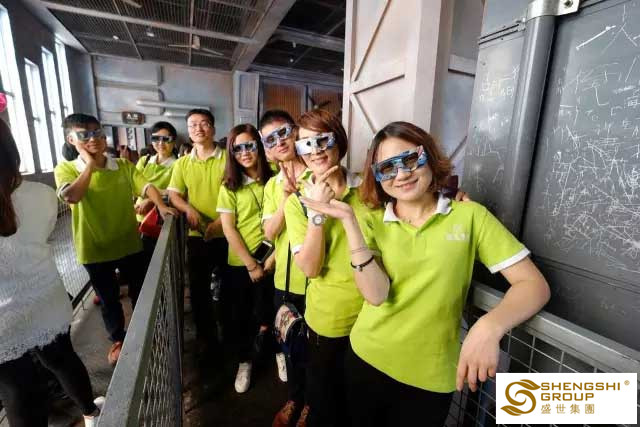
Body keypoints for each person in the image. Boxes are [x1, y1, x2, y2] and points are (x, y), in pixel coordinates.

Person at [300, 121, 551, 426]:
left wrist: (489, 326)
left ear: (428, 156)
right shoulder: (373, 221)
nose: (401, 174)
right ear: (377, 176)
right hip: (366, 357)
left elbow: (533, 285)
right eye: (387, 168)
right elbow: (376, 295)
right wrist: (351, 225)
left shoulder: (470, 216)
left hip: (432, 375)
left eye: (410, 159)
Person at [0, 119, 104, 427]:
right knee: (62, 359)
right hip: (45, 299)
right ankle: (90, 413)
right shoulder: (41, 194)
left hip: (3, 314)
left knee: (16, 385)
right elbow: (45, 230)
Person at [54, 114, 176, 366]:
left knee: (140, 290)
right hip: (94, 248)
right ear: (71, 139)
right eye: (84, 135)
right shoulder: (66, 169)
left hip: (128, 243)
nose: (93, 139)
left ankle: (147, 331)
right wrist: (89, 165)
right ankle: (118, 339)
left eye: (97, 133)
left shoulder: (122, 165)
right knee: (108, 299)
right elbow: (72, 196)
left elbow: (146, 186)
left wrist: (161, 206)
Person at [283, 109, 368, 427]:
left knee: (360, 406)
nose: (315, 150)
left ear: (339, 141)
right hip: (330, 321)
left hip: (376, 316)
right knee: (327, 406)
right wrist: (317, 213)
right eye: (305, 144)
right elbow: (310, 268)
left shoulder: (371, 190)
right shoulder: (297, 203)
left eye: (323, 140)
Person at [260, 110, 312, 427]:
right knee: (289, 344)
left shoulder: (318, 171)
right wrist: (286, 198)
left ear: (296, 133)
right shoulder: (272, 185)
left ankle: (311, 405)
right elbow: (269, 232)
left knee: (316, 350)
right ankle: (295, 397)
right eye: (271, 139)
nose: (279, 141)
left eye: (284, 132)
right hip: (285, 280)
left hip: (319, 280)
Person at [216, 124, 275, 393]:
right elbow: (229, 228)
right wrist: (251, 264)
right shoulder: (229, 186)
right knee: (241, 316)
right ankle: (244, 362)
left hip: (274, 259)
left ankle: (278, 353)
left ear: (259, 146)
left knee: (271, 310)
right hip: (242, 263)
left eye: (249, 145)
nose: (244, 152)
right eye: (237, 148)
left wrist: (271, 259)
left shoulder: (275, 178)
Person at [167, 109, 228, 357]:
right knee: (199, 289)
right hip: (197, 237)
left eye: (204, 124)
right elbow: (173, 194)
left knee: (230, 287)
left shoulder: (228, 159)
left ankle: (230, 332)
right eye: (193, 125)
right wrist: (188, 208)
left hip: (229, 234)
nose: (198, 129)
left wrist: (221, 222)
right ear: (188, 131)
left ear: (213, 128)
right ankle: (206, 337)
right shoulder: (182, 163)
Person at [135, 121, 178, 260]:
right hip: (138, 216)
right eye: (156, 138)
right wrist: (159, 192)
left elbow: (175, 192)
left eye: (166, 139)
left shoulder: (178, 165)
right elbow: (134, 186)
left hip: (160, 220)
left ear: (174, 141)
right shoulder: (144, 161)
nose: (160, 143)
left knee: (155, 259)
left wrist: (150, 198)